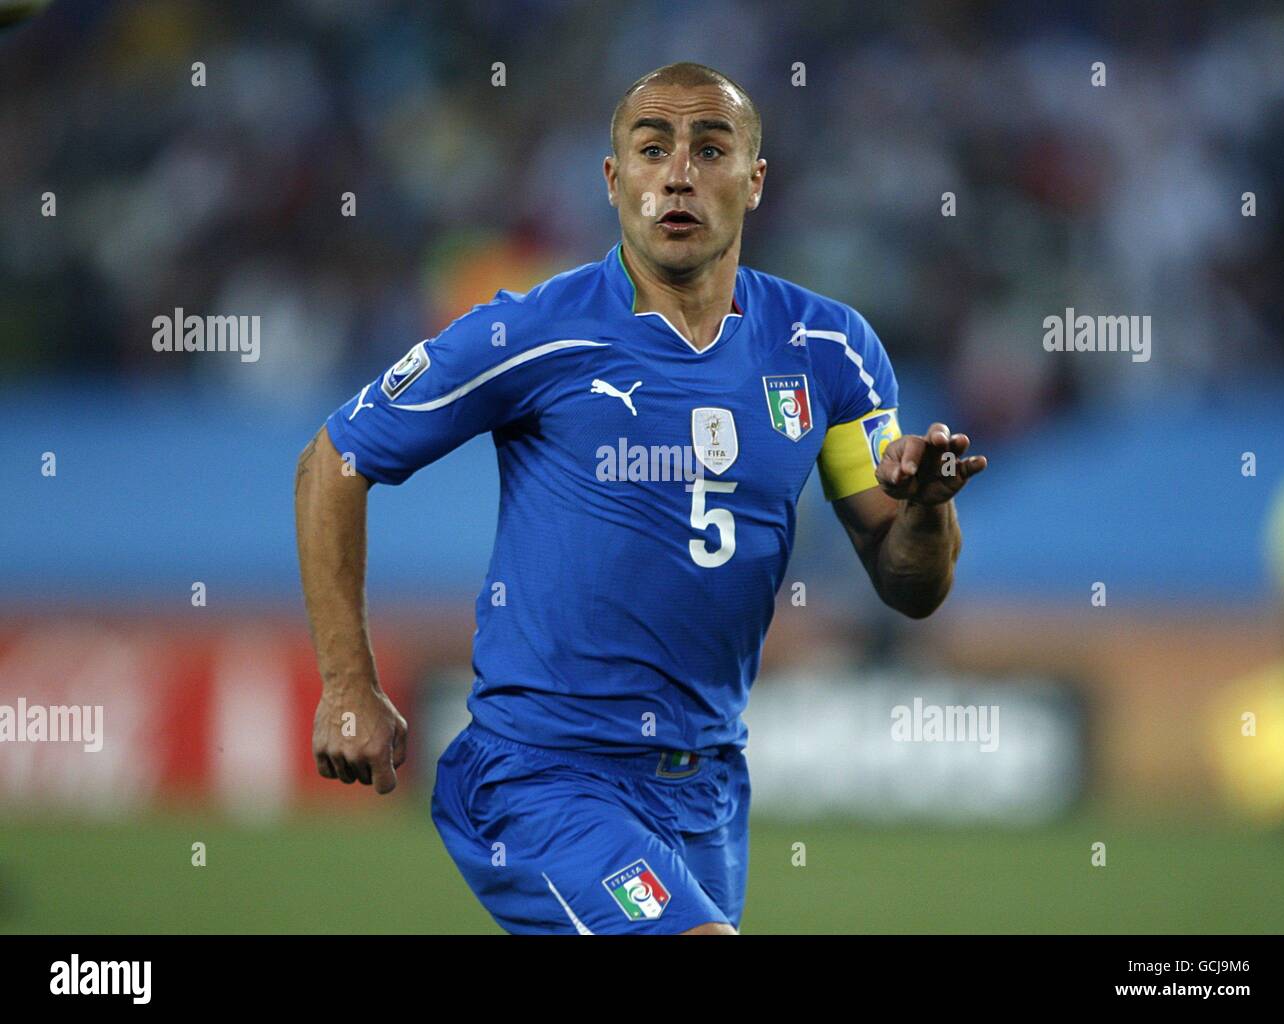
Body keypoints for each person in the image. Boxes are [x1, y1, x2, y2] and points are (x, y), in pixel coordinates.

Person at [294, 62, 987, 934]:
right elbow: (334, 460)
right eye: (652, 150)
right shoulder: (534, 333)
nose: (679, 174)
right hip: (544, 777)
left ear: (755, 179)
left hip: (706, 787)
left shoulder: (829, 350)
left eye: (710, 148)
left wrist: (926, 508)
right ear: (615, 180)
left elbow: (910, 585)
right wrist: (347, 682)